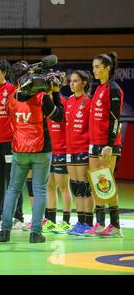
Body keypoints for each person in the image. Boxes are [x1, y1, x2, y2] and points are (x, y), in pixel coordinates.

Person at [0, 64, 64, 243]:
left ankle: (4, 231)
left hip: (19, 149)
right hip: (41, 150)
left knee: (12, 190)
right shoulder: (42, 98)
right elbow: (58, 116)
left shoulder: (11, 99)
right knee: (40, 190)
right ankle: (35, 233)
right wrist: (55, 93)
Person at [86, 52, 124, 238]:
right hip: (94, 143)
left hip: (107, 144)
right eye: (93, 67)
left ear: (107, 68)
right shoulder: (99, 88)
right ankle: (100, 223)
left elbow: (115, 119)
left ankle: (115, 225)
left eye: (98, 67)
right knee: (96, 183)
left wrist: (109, 144)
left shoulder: (113, 89)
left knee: (106, 183)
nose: (94, 70)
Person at [0, 59, 24, 229]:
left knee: (12, 179)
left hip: (9, 142)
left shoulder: (12, 89)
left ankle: (18, 216)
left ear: (4, 73)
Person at [64, 70, 94, 235]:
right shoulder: (68, 101)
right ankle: (80, 221)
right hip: (70, 149)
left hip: (82, 148)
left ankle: (88, 222)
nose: (72, 83)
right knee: (75, 186)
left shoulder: (88, 101)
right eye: (71, 81)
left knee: (84, 186)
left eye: (76, 81)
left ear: (84, 83)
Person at [43, 94, 73, 233]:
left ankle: (66, 221)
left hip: (62, 150)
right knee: (49, 186)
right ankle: (51, 221)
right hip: (49, 150)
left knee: (63, 187)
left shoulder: (64, 102)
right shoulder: (44, 102)